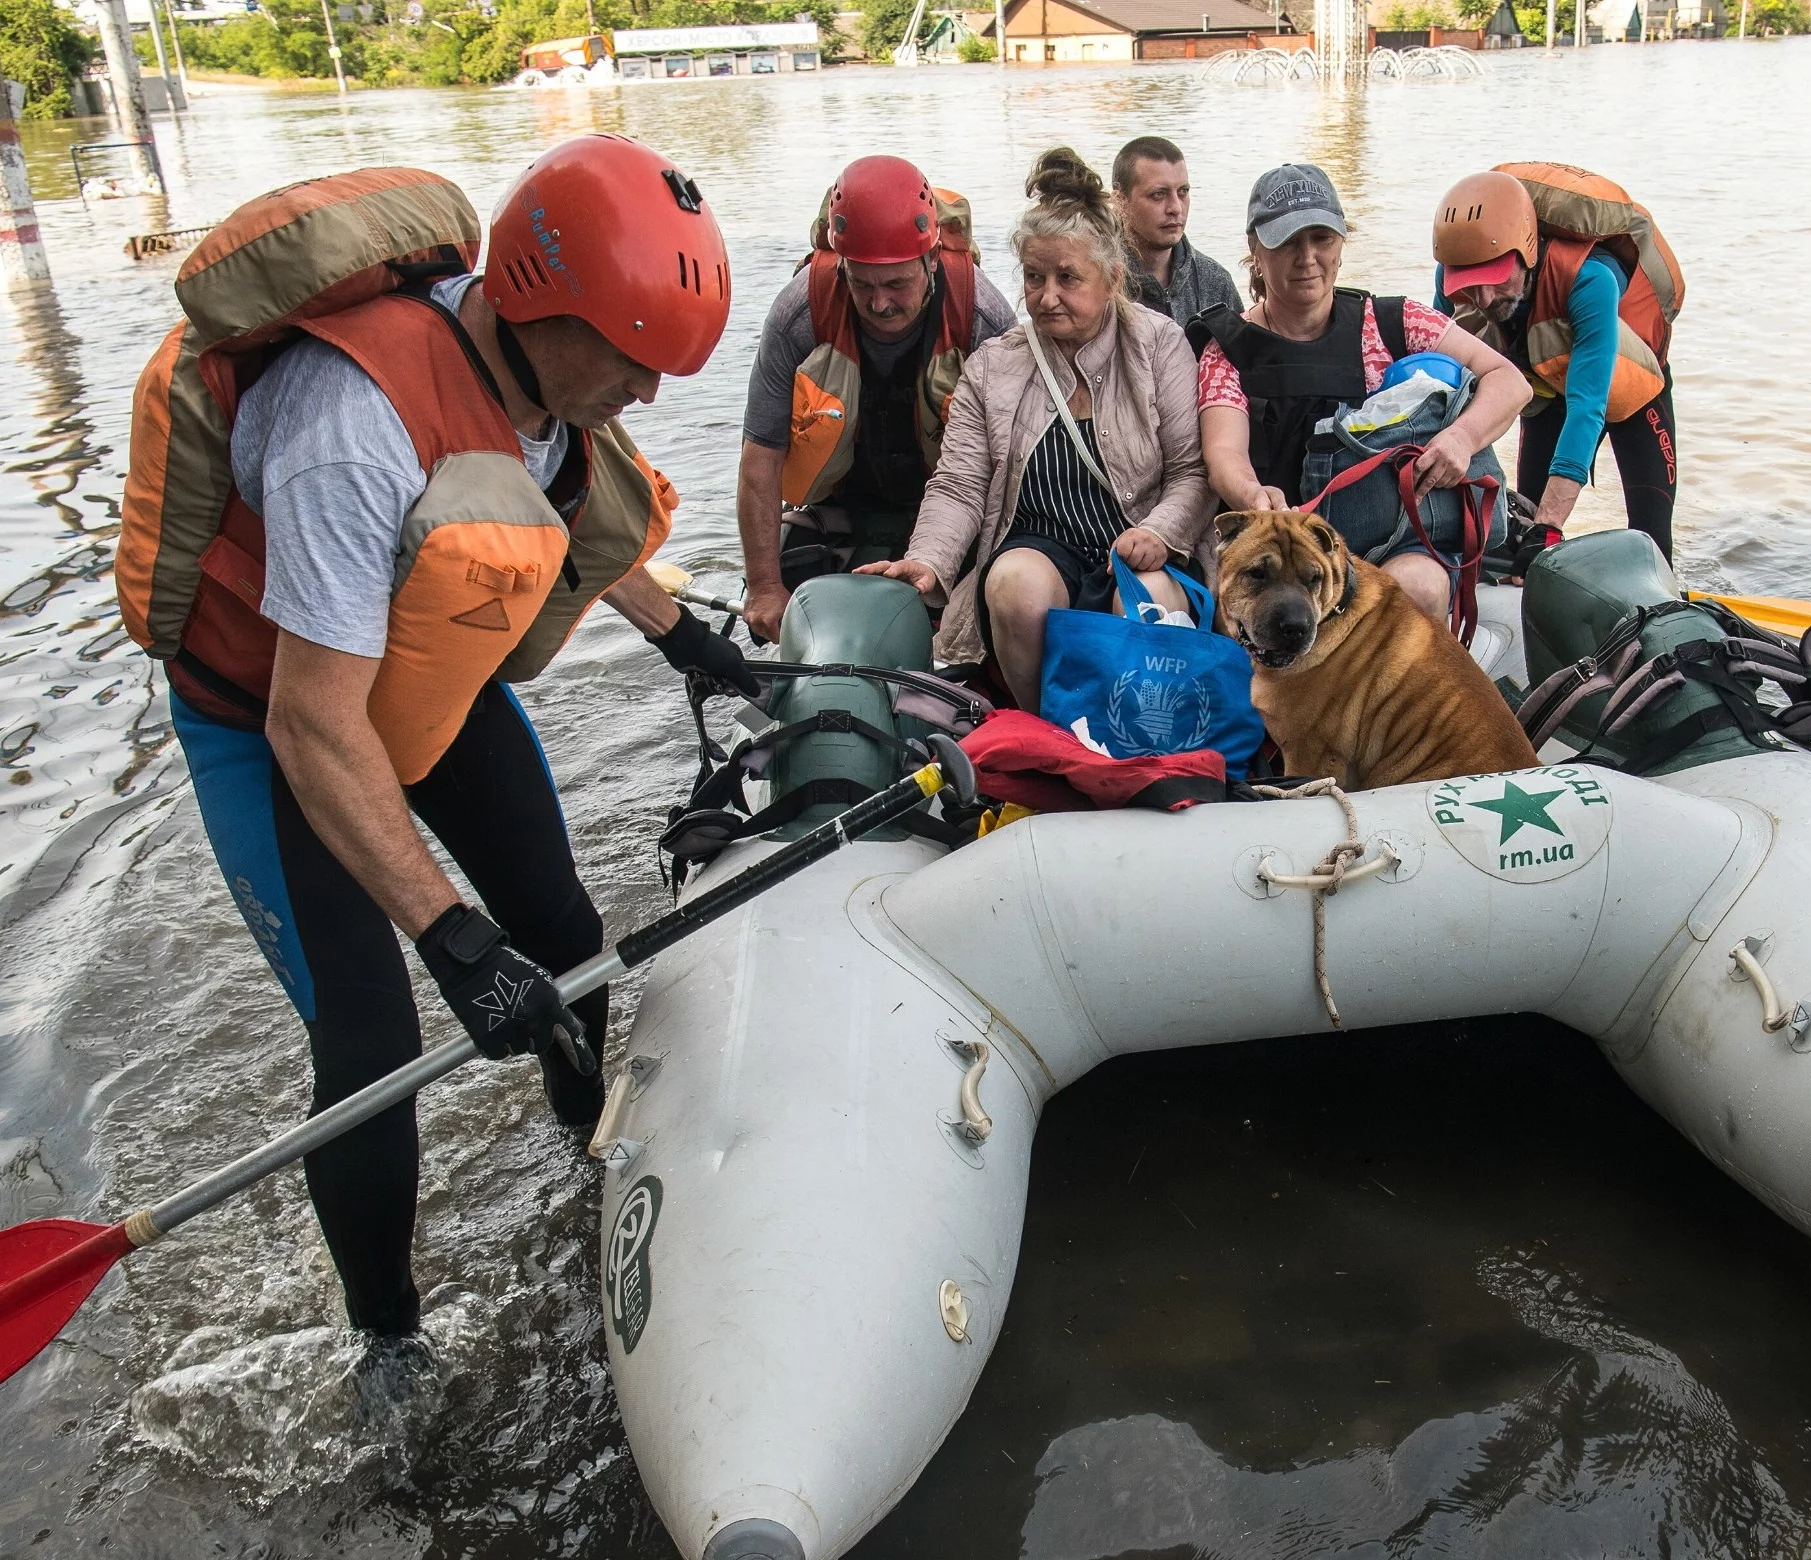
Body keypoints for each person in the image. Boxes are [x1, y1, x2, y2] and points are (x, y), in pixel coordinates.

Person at [120, 136, 756, 1337]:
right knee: (371, 1049)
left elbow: (545, 510)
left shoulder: (552, 383)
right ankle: (388, 1340)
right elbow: (313, 724)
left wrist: (688, 643)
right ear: (542, 308)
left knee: (563, 931)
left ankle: (587, 1147)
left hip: (420, 678)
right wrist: (455, 942)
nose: (651, 392)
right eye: (634, 361)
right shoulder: (350, 428)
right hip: (270, 720)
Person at [859, 147, 1214, 713]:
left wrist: (1162, 533)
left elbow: (1193, 472)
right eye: (1033, 277)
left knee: (1143, 599)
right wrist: (928, 560)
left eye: (1067, 277)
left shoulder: (1159, 344)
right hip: (1041, 547)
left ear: (1112, 277)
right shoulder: (994, 366)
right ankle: (1046, 730)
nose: (1047, 296)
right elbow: (959, 485)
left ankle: (1141, 739)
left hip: (1140, 546)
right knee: (1014, 586)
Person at [1192, 164, 1530, 623]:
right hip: (1283, 551)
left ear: (1342, 244)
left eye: (1322, 239)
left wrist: (1461, 439)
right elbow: (1223, 456)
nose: (1307, 258)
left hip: (1391, 545)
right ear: (1255, 248)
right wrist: (1253, 495)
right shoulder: (1227, 349)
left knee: (1419, 585)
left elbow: (1509, 382)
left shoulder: (1396, 322)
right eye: (1288, 242)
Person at [736, 155, 1016, 642]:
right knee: (782, 610)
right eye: (861, 283)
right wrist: (763, 587)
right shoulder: (799, 313)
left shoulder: (983, 316)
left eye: (897, 283)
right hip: (843, 505)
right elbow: (760, 459)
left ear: (931, 261)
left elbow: (1017, 467)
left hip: (953, 505)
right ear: (840, 264)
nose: (880, 303)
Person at [1433, 166, 1683, 562]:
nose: (1481, 298)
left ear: (1526, 252)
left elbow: (1588, 405)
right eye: (1468, 282)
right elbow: (1436, 380)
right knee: (1522, 536)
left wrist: (1550, 525)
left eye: (1495, 277)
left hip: (1626, 390)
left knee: (1651, 543)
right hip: (1548, 390)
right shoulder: (1454, 274)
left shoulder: (1590, 279)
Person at [1111, 134, 1243, 325]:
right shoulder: (1098, 281)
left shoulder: (1215, 282)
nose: (1176, 208)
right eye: (1158, 194)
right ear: (1120, 200)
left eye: (1183, 192)